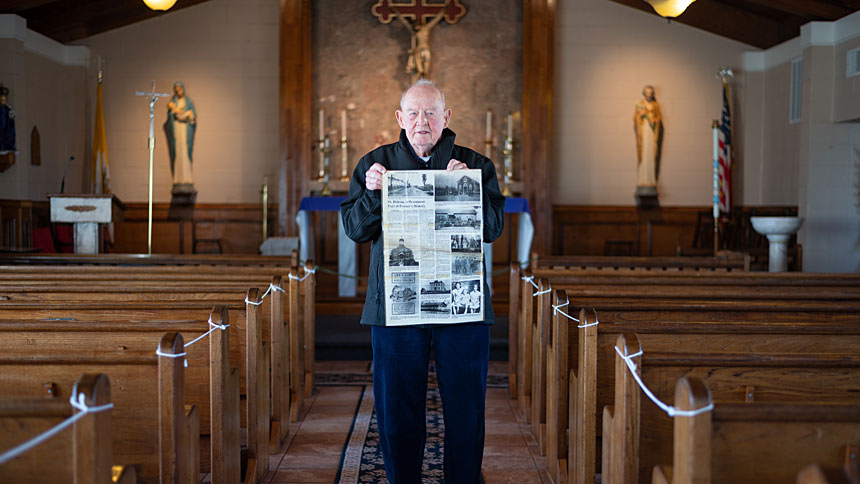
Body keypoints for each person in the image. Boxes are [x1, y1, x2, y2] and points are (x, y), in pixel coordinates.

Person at [341, 79, 505, 484]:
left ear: (446, 117)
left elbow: (493, 228)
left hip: (461, 307)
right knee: (397, 408)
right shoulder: (375, 164)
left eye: (431, 112)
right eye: (413, 113)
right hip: (397, 308)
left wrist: (468, 191)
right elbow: (355, 230)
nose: (422, 121)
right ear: (400, 118)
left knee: (466, 407)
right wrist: (374, 192)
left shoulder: (476, 165)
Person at [163, 81, 197, 195]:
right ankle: (178, 179)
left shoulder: (188, 102)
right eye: (177, 90)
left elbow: (193, 117)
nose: (179, 92)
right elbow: (171, 115)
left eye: (180, 90)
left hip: (185, 130)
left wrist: (189, 116)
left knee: (186, 152)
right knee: (177, 153)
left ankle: (187, 179)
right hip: (177, 129)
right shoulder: (173, 102)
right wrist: (176, 112)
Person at [633, 85, 663, 195]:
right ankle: (642, 180)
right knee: (644, 154)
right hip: (644, 131)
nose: (649, 95)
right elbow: (635, 118)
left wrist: (654, 120)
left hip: (651, 132)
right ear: (644, 93)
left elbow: (658, 119)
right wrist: (640, 116)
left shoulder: (656, 105)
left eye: (651, 92)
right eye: (647, 92)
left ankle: (651, 180)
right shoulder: (640, 105)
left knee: (650, 154)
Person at [0, 84, 17, 155]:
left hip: (6, 127)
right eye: (2, 100)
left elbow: (12, 118)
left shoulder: (8, 108)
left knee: (6, 136)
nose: (4, 101)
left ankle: (6, 146)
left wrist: (12, 116)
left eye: (5, 100)